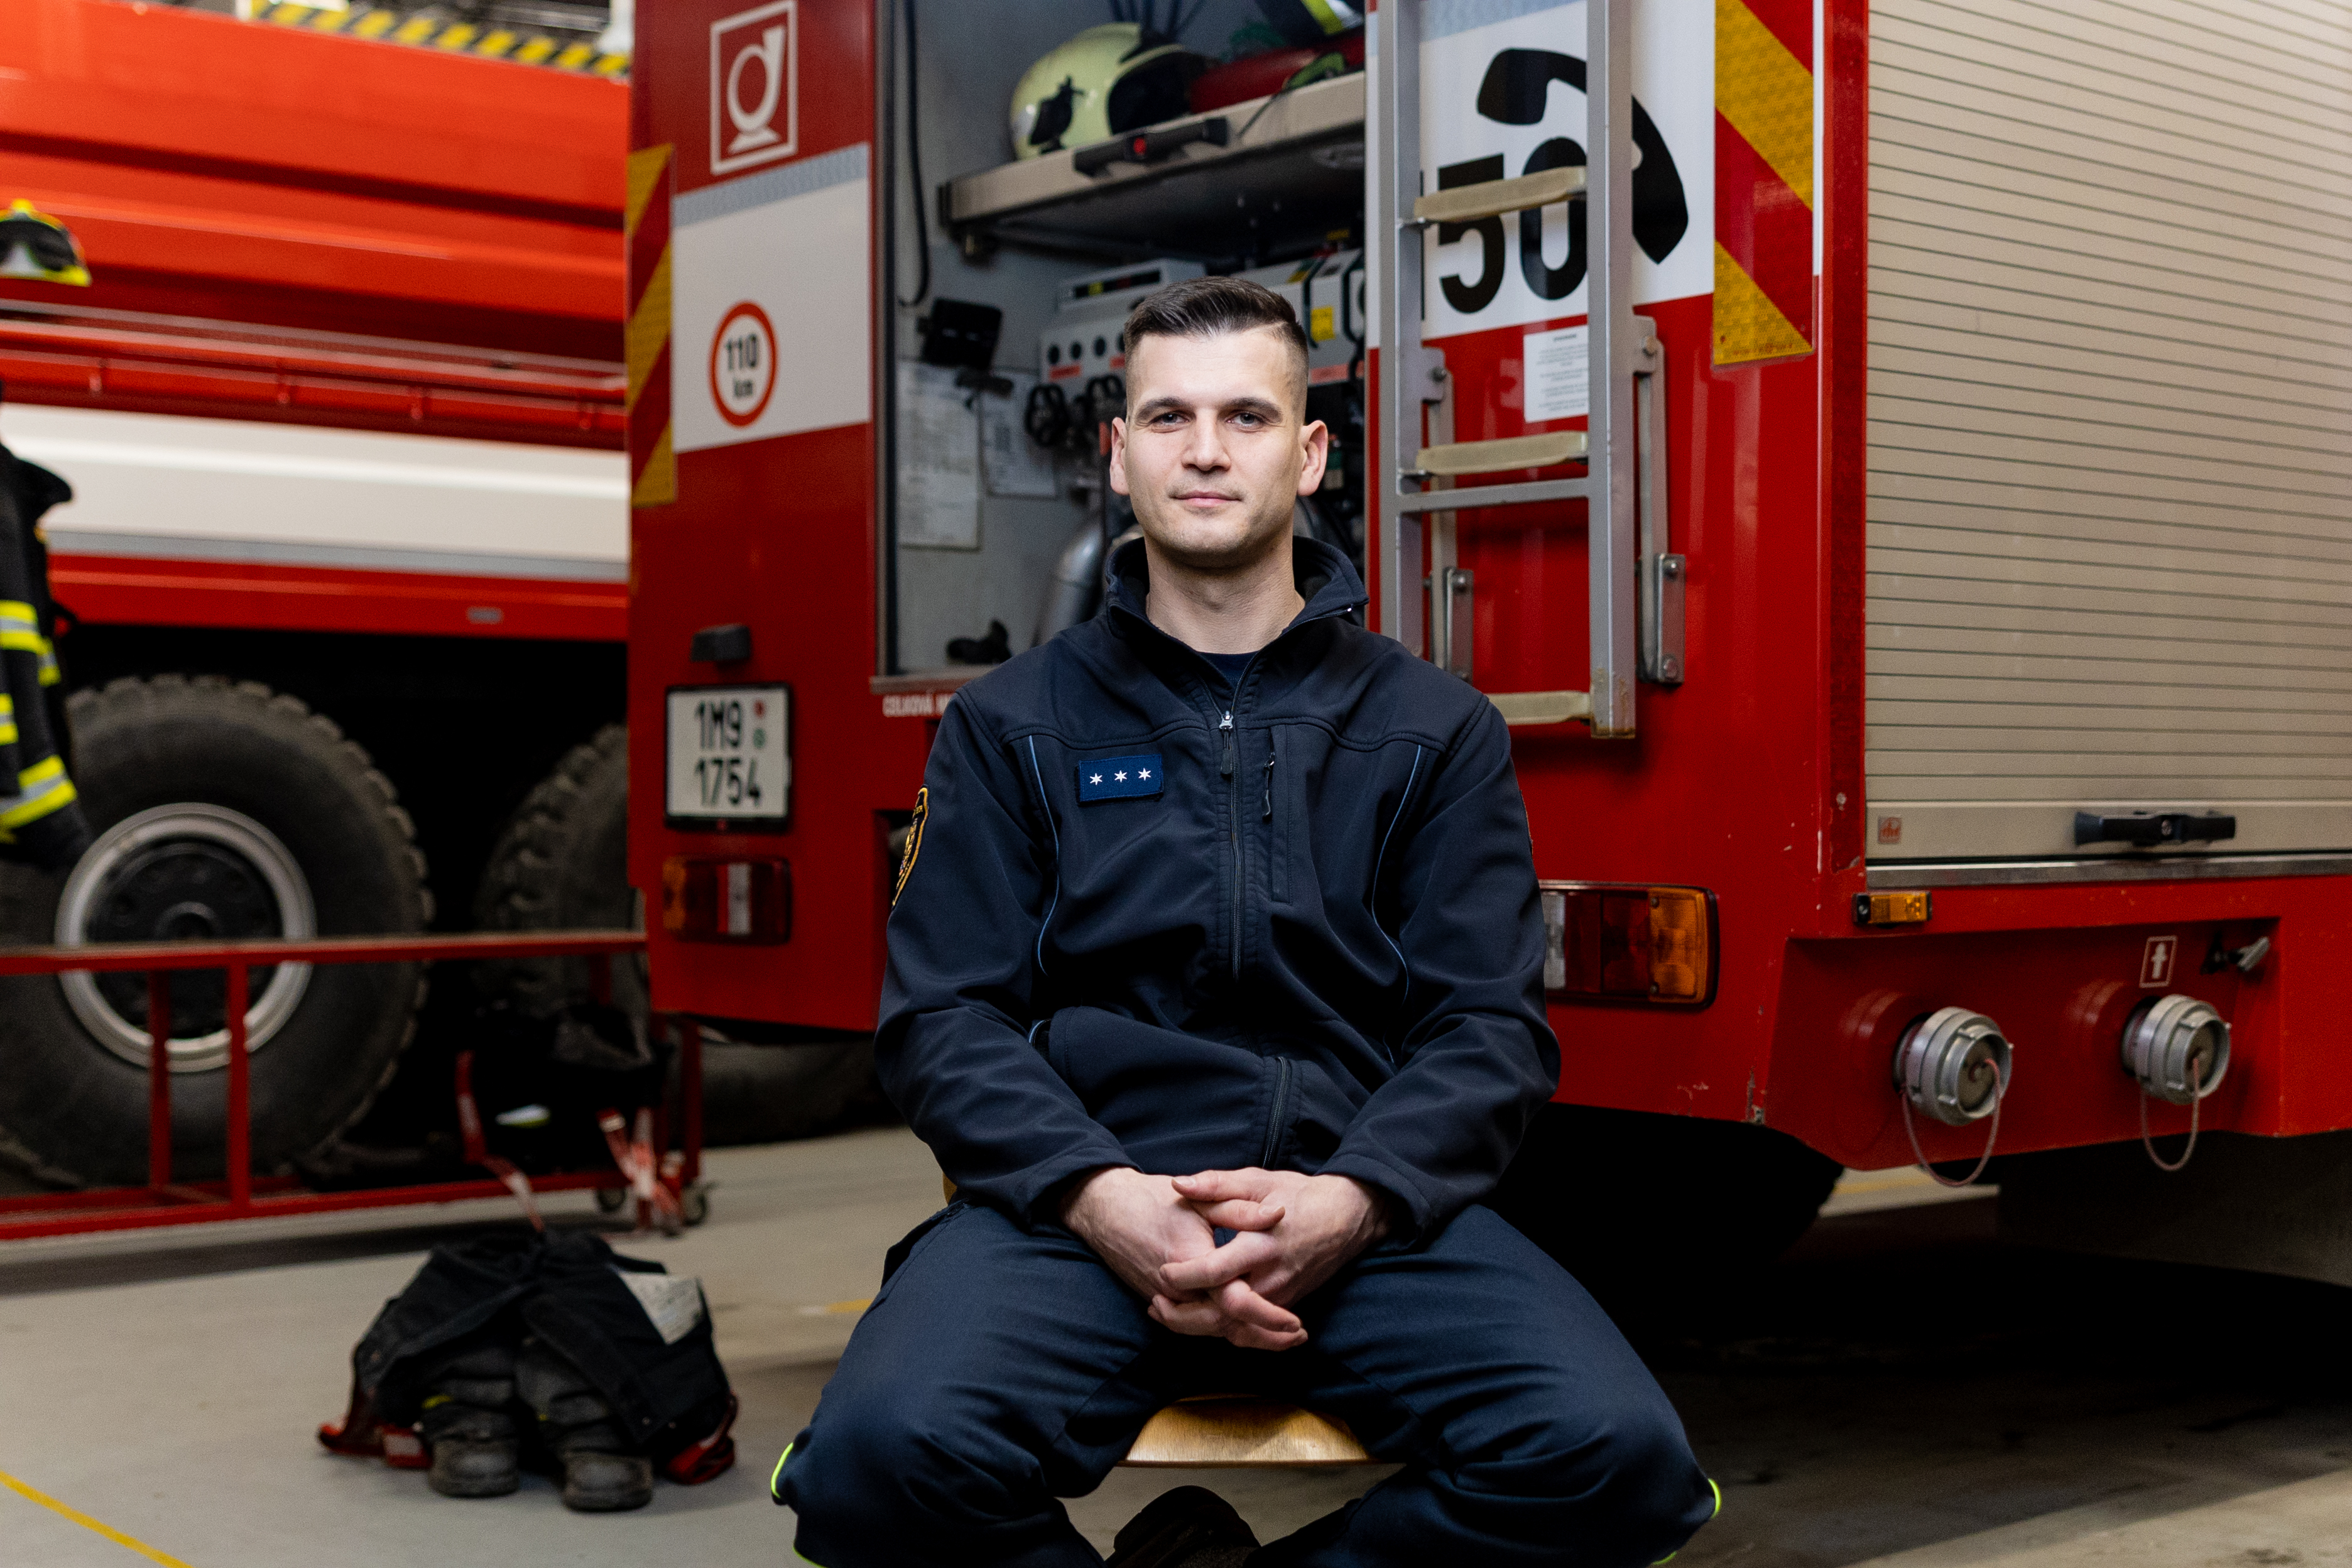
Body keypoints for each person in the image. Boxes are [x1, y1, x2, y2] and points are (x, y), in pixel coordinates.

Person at [773, 276, 1718, 1567]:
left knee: (1619, 1463)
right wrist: (1102, 1196)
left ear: (1312, 450)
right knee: (872, 1464)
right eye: (1167, 418)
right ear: (1118, 455)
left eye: (1246, 416)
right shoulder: (1012, 727)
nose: (1206, 450)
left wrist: (1358, 1200)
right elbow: (944, 1019)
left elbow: (1488, 1029)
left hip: (1353, 1209)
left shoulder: (1435, 730)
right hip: (1084, 1212)